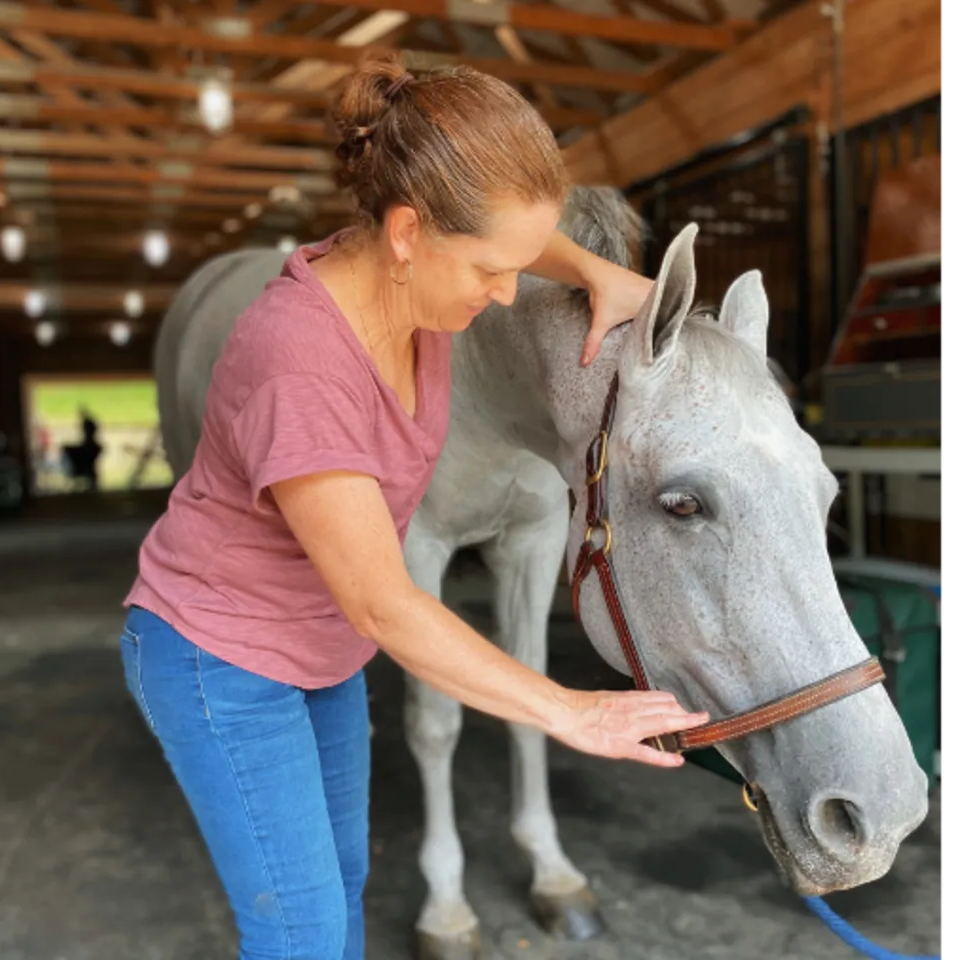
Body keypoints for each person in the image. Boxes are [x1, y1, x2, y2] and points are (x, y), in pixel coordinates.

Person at [118, 53, 710, 960]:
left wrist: (596, 271)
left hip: (320, 648)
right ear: (408, 232)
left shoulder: (421, 280)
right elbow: (382, 603)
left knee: (343, 885)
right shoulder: (301, 363)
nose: (509, 292)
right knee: (302, 932)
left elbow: (508, 235)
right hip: (219, 657)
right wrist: (570, 710)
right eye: (489, 270)